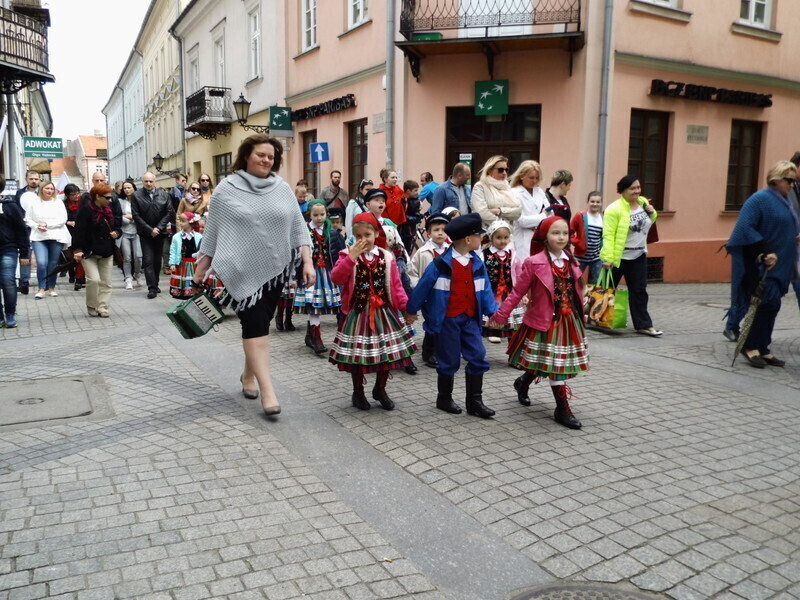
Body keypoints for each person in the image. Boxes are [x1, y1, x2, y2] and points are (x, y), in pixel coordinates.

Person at [192, 135, 314, 417]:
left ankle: (247, 375)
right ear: (246, 155)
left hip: (276, 271)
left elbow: (298, 228)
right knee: (257, 326)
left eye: (271, 157)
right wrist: (201, 268)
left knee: (260, 325)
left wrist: (307, 262)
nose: (266, 160)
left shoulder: (282, 188)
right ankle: (267, 391)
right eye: (260, 154)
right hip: (240, 270)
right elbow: (213, 231)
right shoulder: (226, 189)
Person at [489, 216, 588, 429]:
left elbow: (578, 289)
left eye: (565, 233)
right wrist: (500, 316)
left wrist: (583, 308)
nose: (561, 237)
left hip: (568, 320)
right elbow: (517, 292)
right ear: (544, 237)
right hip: (544, 320)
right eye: (555, 233)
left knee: (548, 361)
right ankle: (562, 408)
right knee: (553, 365)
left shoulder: (571, 260)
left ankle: (523, 382)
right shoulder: (534, 262)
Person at [407, 213, 498, 418]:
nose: (481, 239)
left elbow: (485, 290)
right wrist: (411, 310)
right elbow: (422, 288)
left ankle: (475, 401)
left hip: (470, 318)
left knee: (477, 355)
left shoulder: (477, 264)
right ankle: (444, 398)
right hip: (448, 319)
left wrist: (493, 311)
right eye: (478, 236)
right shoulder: (440, 264)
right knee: (449, 359)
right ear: (467, 239)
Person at [329, 212, 417, 410]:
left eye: (367, 235)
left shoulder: (387, 257)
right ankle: (358, 392)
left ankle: (380, 388)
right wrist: (351, 257)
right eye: (358, 236)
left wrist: (406, 308)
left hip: (383, 312)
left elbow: (396, 286)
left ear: (376, 234)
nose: (363, 240)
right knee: (358, 355)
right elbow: (336, 278)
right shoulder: (346, 255)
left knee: (385, 353)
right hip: (358, 312)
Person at [726, 160, 799, 368]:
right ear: (776, 179)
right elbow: (745, 228)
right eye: (789, 181)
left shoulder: (784, 201)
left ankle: (764, 347)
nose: (792, 185)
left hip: (782, 264)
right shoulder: (760, 199)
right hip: (763, 264)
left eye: (793, 181)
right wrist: (765, 250)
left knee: (772, 306)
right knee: (762, 305)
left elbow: (780, 228)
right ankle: (750, 347)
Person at [601, 175, 661, 337]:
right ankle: (600, 320)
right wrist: (608, 257)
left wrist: (652, 212)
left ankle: (643, 325)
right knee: (607, 290)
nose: (636, 191)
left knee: (639, 291)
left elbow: (648, 223)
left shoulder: (643, 202)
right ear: (623, 190)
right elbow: (608, 234)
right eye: (632, 188)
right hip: (618, 257)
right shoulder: (614, 209)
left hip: (639, 255)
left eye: (638, 187)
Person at [294, 200, 342, 355]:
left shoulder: (332, 232)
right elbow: (296, 255)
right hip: (310, 273)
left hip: (327, 273)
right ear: (310, 215)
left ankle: (310, 335)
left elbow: (340, 252)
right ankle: (316, 338)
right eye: (315, 215)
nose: (319, 218)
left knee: (319, 305)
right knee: (314, 305)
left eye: (322, 214)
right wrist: (295, 275)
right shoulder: (304, 231)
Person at [71, 184, 123, 318]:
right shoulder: (86, 210)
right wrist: (77, 249)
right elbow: (78, 231)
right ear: (98, 197)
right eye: (107, 198)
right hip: (89, 251)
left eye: (111, 197)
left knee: (106, 282)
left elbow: (118, 225)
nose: (110, 200)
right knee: (94, 280)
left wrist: (117, 232)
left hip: (107, 250)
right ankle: (92, 305)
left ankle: (103, 307)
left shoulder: (109, 209)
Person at [407, 212, 451, 367]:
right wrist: (418, 289)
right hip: (430, 293)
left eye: (444, 229)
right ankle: (429, 351)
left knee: (446, 320)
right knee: (432, 320)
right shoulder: (423, 252)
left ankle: (443, 349)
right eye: (436, 229)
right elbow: (413, 272)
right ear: (428, 233)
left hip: (447, 292)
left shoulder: (452, 251)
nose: (440, 233)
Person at [22, 181, 71, 299]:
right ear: (42, 189)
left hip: (55, 236)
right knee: (42, 263)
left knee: (53, 264)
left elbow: (63, 219)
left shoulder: (58, 202)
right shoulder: (34, 203)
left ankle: (51, 287)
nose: (49, 191)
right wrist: (37, 226)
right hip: (39, 236)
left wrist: (47, 225)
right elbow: (28, 219)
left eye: (51, 189)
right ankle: (41, 288)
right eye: (47, 188)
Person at [131, 172, 172, 299]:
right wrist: (149, 230)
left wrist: (159, 228)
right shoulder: (136, 196)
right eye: (146, 181)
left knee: (157, 261)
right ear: (142, 182)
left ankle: (156, 283)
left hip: (160, 233)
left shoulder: (164, 195)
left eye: (151, 181)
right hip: (145, 234)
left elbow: (169, 212)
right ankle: (152, 288)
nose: (149, 184)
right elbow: (136, 215)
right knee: (148, 260)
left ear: (155, 181)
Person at [482, 220, 523, 343]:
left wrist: (522, 293)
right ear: (491, 237)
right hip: (492, 292)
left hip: (509, 293)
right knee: (492, 313)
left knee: (513, 322)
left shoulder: (513, 255)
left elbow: (520, 274)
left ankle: (512, 348)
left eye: (506, 237)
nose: (503, 241)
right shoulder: (484, 254)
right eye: (498, 237)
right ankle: (493, 332)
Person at [0, 174, 30, 328]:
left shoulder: (9, 206)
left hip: (7, 248)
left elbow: (22, 230)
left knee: (7, 280)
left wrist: (24, 253)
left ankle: (10, 313)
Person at [510, 160, 548, 274]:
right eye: (531, 178)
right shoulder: (514, 193)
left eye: (537, 178)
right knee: (523, 271)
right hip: (522, 238)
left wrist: (536, 220)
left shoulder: (539, 191)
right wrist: (542, 216)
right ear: (522, 176)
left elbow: (550, 214)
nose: (535, 181)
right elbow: (522, 221)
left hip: (539, 237)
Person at [471, 155, 521, 228]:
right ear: (489, 171)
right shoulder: (480, 187)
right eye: (500, 170)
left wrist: (500, 211)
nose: (504, 173)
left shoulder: (507, 187)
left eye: (506, 170)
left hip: (508, 235)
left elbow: (518, 212)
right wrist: (503, 225)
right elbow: (482, 214)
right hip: (486, 234)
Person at [14, 170, 41, 294]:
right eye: (31, 179)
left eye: (36, 179)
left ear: (39, 180)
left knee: (42, 257)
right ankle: (24, 282)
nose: (34, 181)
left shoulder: (44, 192)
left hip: (41, 227)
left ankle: (44, 282)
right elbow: (16, 210)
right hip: (24, 227)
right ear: (26, 179)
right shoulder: (19, 194)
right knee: (26, 254)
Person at [570, 191, 604, 284]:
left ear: (601, 203)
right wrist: (577, 243)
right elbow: (570, 232)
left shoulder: (603, 218)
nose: (595, 204)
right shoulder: (580, 216)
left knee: (597, 283)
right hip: (580, 257)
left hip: (596, 258)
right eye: (592, 201)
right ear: (588, 202)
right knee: (575, 281)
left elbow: (603, 237)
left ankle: (592, 299)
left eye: (598, 202)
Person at [168, 212, 203, 298]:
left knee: (193, 280)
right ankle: (184, 297)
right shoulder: (176, 237)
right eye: (180, 221)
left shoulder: (199, 236)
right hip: (182, 264)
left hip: (194, 264)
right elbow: (173, 251)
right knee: (182, 283)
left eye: (183, 221)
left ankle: (192, 295)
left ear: (190, 223)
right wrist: (172, 263)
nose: (180, 223)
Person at [117, 181, 143, 290]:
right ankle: (128, 278)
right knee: (127, 257)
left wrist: (131, 217)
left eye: (129, 187)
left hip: (137, 232)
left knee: (138, 257)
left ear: (134, 188)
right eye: (125, 188)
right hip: (125, 232)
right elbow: (118, 215)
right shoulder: (120, 202)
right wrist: (128, 218)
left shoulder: (140, 201)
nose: (127, 190)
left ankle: (137, 274)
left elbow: (142, 216)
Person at [63, 183, 86, 290]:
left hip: (81, 233)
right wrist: (68, 222)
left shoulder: (83, 203)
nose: (76, 196)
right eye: (73, 194)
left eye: (77, 193)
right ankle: (72, 273)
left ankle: (79, 279)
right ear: (67, 195)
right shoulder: (63, 204)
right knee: (70, 258)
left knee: (80, 256)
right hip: (68, 233)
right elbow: (60, 217)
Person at [401, 179, 423, 252]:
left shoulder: (416, 202)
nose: (417, 193)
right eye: (415, 190)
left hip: (408, 230)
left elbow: (416, 217)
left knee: (407, 250)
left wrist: (404, 218)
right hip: (400, 229)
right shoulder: (401, 200)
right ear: (408, 191)